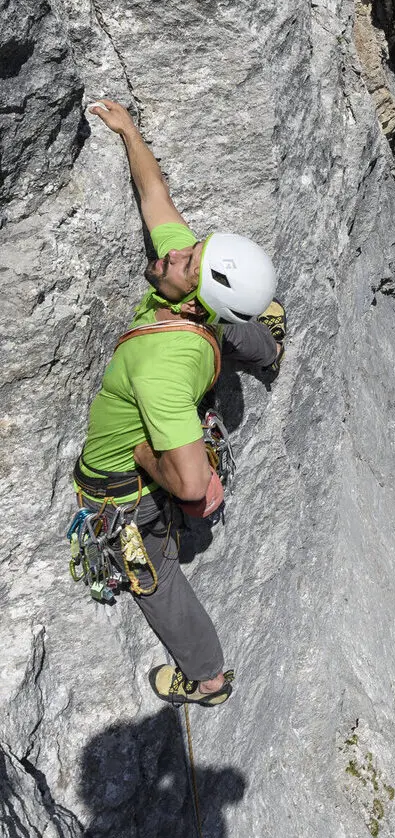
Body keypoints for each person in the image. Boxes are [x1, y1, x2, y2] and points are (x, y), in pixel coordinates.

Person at [72, 99, 286, 708]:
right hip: (201, 350)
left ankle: (208, 679)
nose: (174, 254)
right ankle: (269, 346)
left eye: (186, 262)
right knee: (230, 336)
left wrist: (144, 455)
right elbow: (155, 198)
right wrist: (128, 132)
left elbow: (191, 486)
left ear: (192, 299)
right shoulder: (195, 298)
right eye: (189, 253)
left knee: (152, 575)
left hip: (119, 487)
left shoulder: (161, 367)